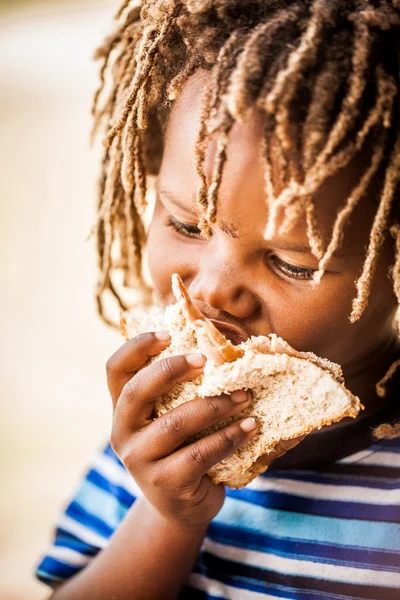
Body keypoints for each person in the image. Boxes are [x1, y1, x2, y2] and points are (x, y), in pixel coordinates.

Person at [35, 1, 400, 598]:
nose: (210, 288)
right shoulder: (148, 448)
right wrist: (166, 514)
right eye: (184, 225)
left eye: (291, 262)